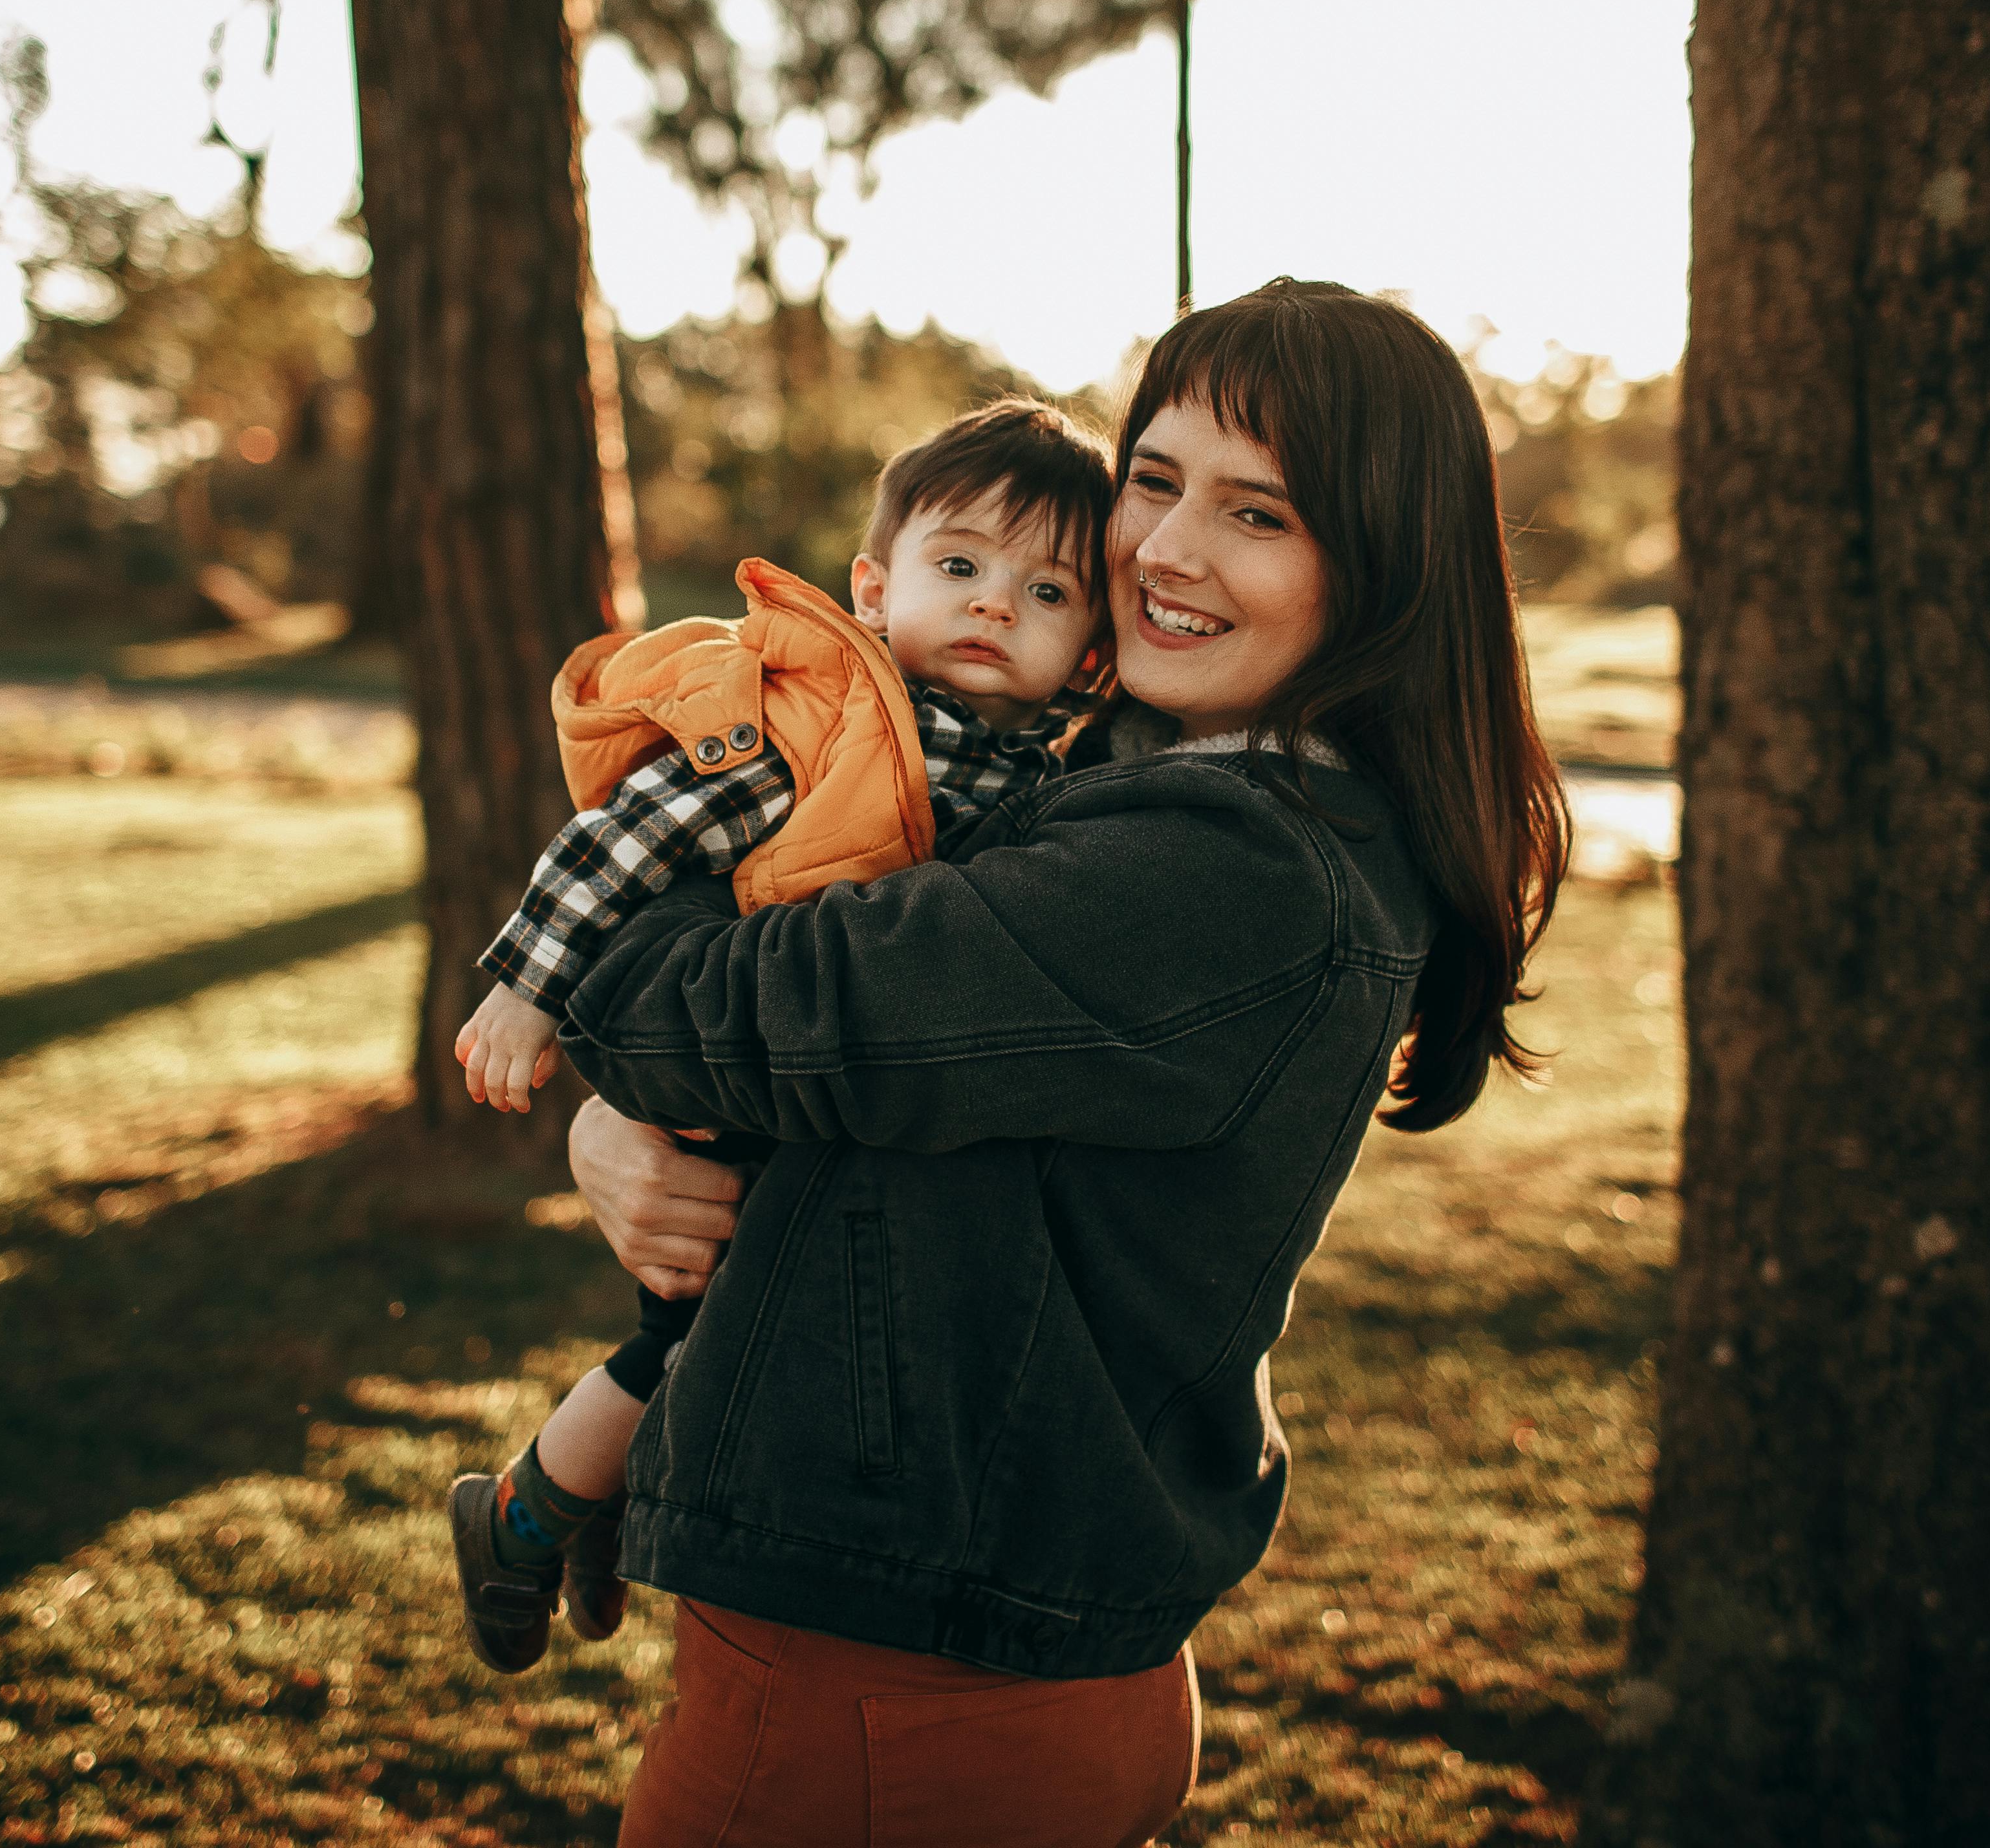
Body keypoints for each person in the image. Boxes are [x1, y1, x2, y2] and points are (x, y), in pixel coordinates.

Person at [551, 279, 1571, 1848]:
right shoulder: (1144, 783)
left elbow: (732, 1013)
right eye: (1153, 480)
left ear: (1378, 572)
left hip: (904, 1703)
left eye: (1260, 514)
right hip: (954, 1657)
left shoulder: (1231, 866)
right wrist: (618, 1125)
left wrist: (606, 1039)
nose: (1165, 548)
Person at [444, 400, 1118, 1673]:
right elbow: (629, 835)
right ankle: (522, 1518)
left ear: (1090, 651)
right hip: (744, 1081)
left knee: (717, 1345)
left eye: (1046, 590)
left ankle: (591, 1504)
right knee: (681, 1342)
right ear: (876, 585)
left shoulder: (1054, 773)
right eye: (960, 568)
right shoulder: (831, 726)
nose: (992, 606)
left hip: (838, 1095)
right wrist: (528, 985)